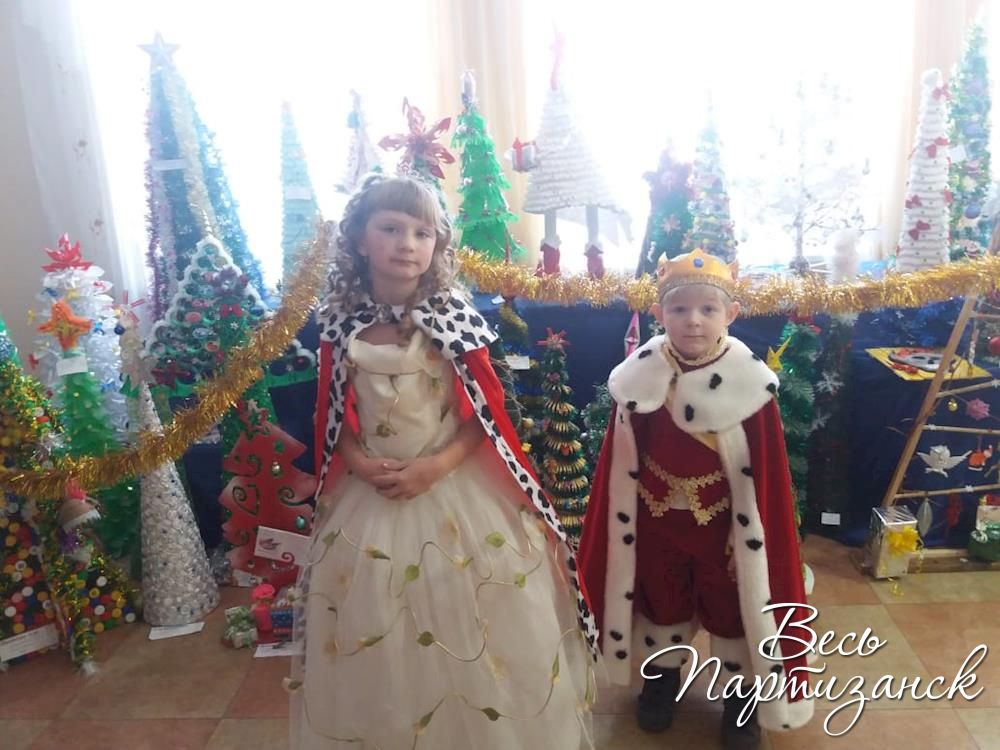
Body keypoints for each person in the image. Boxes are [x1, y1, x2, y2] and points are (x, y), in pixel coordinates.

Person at [288, 175, 597, 749]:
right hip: (370, 498)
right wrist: (356, 460)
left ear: (437, 245)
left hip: (455, 488)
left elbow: (487, 417)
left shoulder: (455, 318)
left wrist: (435, 467)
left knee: (467, 615)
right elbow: (332, 413)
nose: (407, 243)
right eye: (391, 228)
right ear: (360, 239)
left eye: (422, 232)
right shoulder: (339, 321)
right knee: (379, 619)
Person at [578, 249, 814, 749]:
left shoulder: (750, 386)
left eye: (708, 309)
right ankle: (661, 679)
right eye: (680, 308)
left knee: (731, 608)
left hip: (724, 531)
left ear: (731, 314)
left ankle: (740, 700)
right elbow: (621, 463)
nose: (693, 320)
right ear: (659, 313)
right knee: (662, 600)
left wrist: (743, 535)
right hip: (656, 522)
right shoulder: (639, 378)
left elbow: (764, 479)